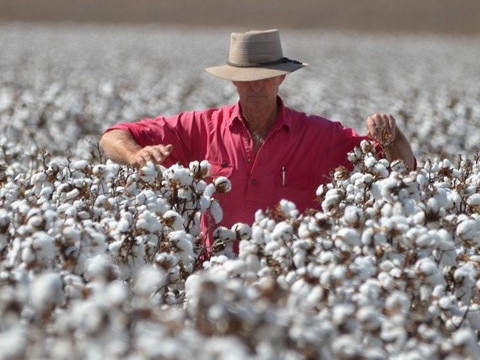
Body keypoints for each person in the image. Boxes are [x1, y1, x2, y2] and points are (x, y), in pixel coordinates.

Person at [100, 29, 416, 255]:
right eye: (247, 79)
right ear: (234, 80)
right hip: (218, 278)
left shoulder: (318, 136)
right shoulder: (203, 127)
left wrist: (391, 137)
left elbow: (402, 172)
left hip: (291, 279)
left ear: (281, 77)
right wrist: (135, 155)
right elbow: (112, 136)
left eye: (264, 77)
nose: (255, 87)